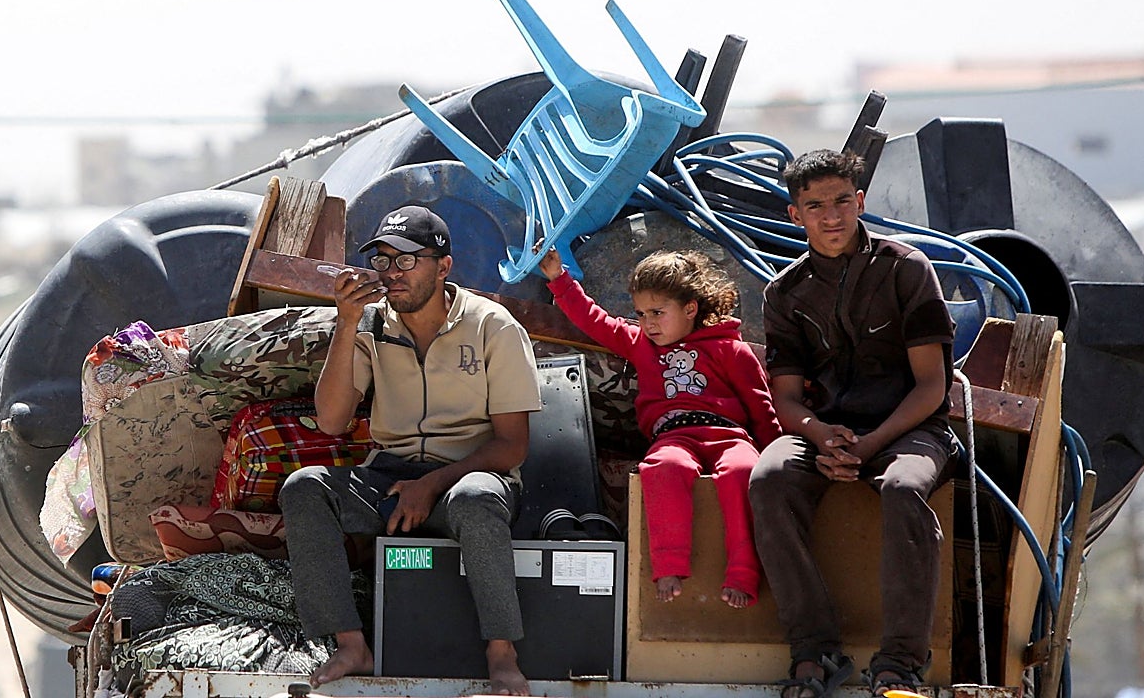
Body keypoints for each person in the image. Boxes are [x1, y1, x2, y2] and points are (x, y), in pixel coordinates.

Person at [278, 205, 543, 696]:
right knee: (305, 487)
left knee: (477, 501)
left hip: (469, 476)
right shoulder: (372, 324)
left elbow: (512, 445)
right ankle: (350, 643)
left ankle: (502, 654)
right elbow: (333, 420)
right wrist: (346, 323)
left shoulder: (493, 326)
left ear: (443, 267)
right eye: (382, 261)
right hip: (390, 479)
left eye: (405, 261)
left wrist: (432, 484)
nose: (391, 274)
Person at [749, 149, 958, 698]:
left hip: (908, 430)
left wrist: (868, 446)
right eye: (815, 205)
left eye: (843, 200)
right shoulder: (784, 293)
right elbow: (786, 399)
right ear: (795, 215)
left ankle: (900, 663)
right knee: (769, 477)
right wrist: (819, 435)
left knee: (905, 486)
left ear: (860, 200)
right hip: (827, 432)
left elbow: (931, 386)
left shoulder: (906, 269)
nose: (832, 216)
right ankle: (814, 650)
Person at [538, 244, 781, 608]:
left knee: (743, 471)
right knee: (664, 467)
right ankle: (668, 565)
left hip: (728, 435)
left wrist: (776, 456)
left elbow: (761, 408)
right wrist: (559, 279)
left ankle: (744, 572)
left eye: (657, 312)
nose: (648, 322)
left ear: (690, 308)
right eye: (640, 313)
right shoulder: (640, 342)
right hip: (674, 436)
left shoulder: (733, 350)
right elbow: (594, 320)